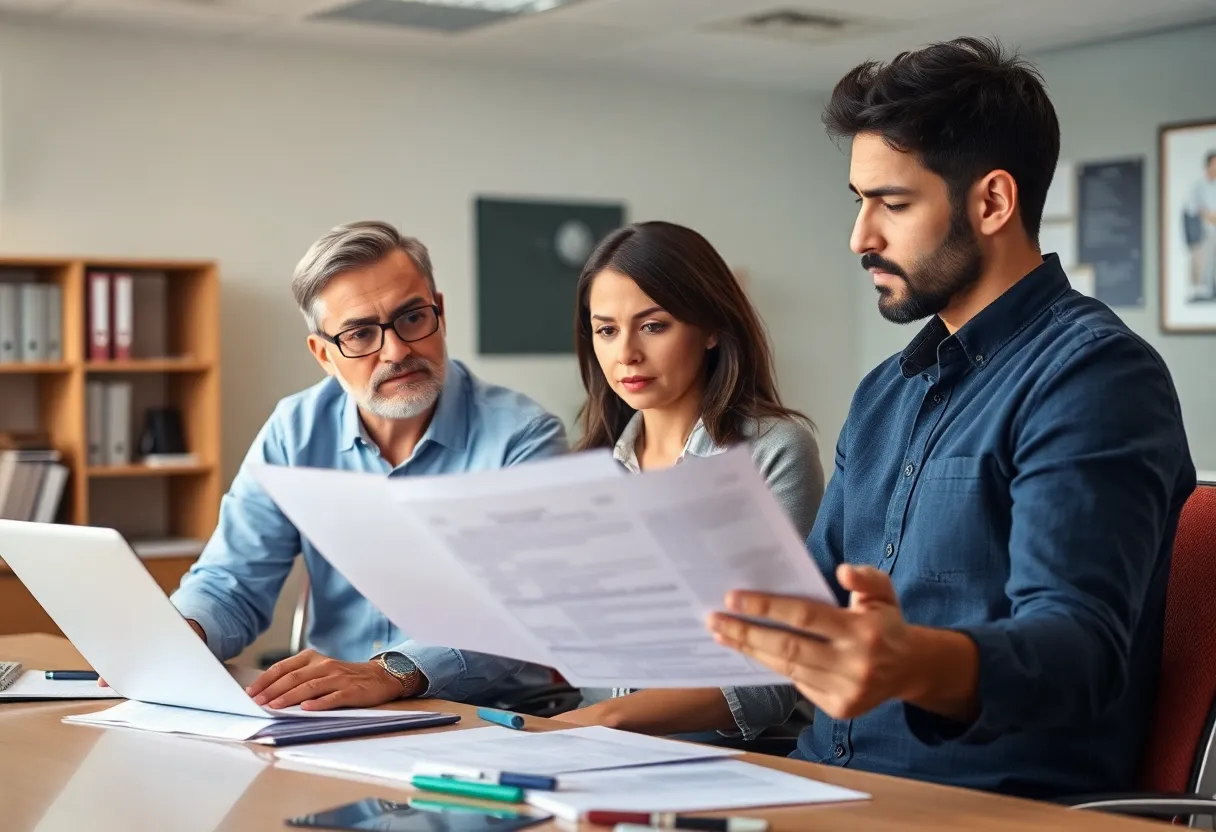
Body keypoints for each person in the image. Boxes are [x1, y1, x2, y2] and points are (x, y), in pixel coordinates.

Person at [705, 38, 1197, 799]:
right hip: (815, 787)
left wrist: (912, 660)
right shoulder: (884, 392)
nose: (859, 237)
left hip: (981, 805)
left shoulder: (1095, 376)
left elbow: (1079, 652)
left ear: (993, 202)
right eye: (859, 201)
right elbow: (813, 602)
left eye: (892, 204)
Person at [167, 220, 568, 711]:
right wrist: (179, 634)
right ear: (323, 355)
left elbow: (521, 611)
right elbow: (232, 581)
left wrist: (389, 673)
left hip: (487, 718)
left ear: (439, 311)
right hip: (333, 719)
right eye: (360, 334)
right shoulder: (295, 429)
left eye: (413, 318)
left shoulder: (522, 438)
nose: (397, 351)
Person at [556, 220, 825, 741]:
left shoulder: (774, 451)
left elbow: (772, 678)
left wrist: (607, 719)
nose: (626, 353)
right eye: (606, 330)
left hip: (732, 758)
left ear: (712, 328)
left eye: (653, 325)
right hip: (587, 750)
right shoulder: (586, 469)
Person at [1185, 151, 1216, 301]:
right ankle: (1202, 292)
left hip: (1213, 231)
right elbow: (1193, 208)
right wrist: (1208, 215)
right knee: (1203, 264)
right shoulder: (1199, 185)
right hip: (1203, 232)